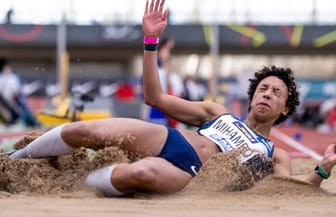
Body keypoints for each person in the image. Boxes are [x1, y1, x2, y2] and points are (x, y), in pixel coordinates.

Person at [9, 0, 336, 196]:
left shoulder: (275, 153)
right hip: (171, 141)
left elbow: (287, 190)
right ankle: (13, 161)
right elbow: (154, 96)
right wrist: (150, 41)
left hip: (191, 173)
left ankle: (72, 184)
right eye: (263, 88)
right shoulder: (217, 111)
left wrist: (321, 170)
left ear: (285, 109)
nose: (267, 93)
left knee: (136, 175)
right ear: (251, 98)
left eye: (276, 93)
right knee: (83, 132)